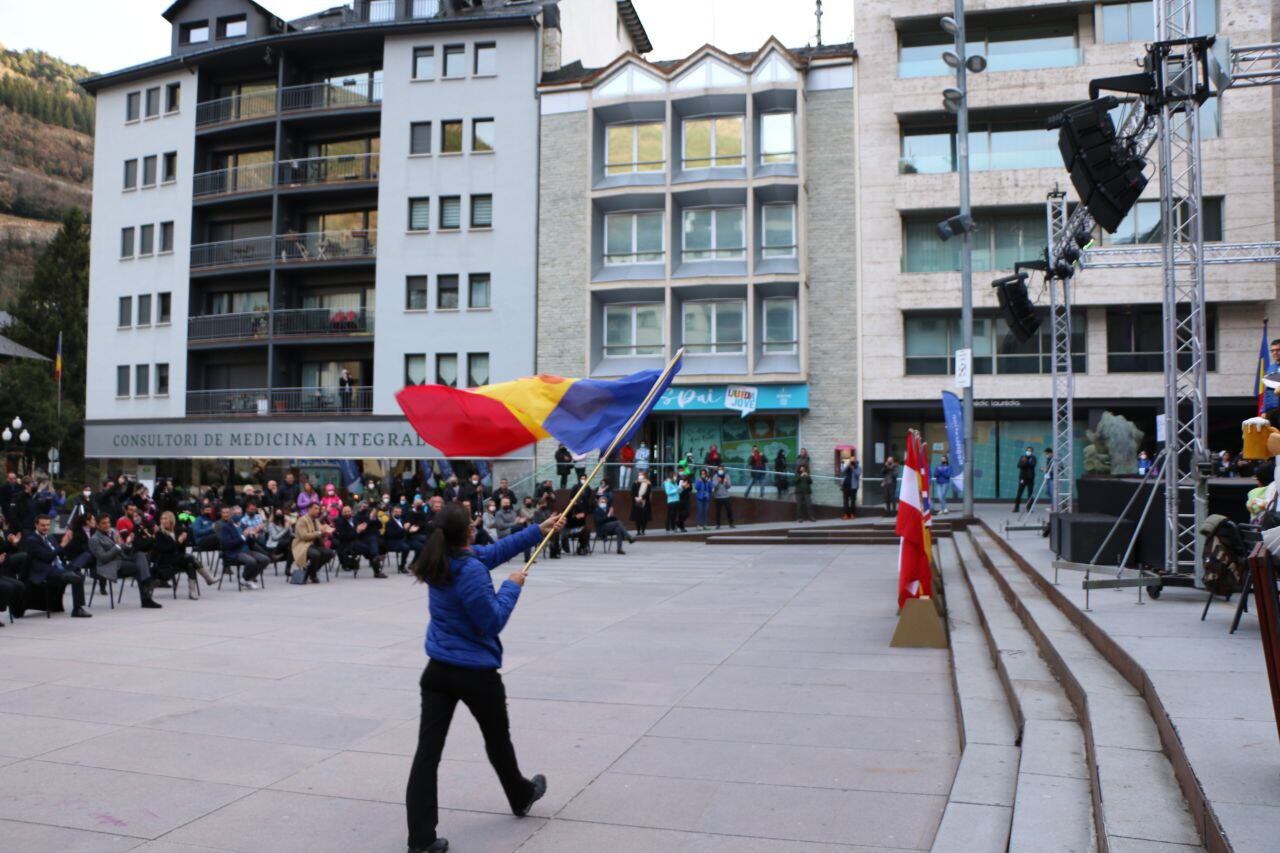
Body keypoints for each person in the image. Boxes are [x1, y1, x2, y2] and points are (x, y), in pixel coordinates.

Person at [403, 503, 563, 853]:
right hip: (474, 673)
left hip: (438, 671)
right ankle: (520, 795)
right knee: (497, 740)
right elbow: (490, 622)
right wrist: (511, 587)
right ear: (468, 533)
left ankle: (421, 840)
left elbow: (493, 552)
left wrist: (539, 529)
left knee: (427, 755)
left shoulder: (440, 558)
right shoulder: (470, 569)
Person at [23, 515, 91, 617]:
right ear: (36, 525)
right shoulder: (32, 540)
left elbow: (60, 553)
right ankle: (77, 609)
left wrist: (68, 542)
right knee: (77, 577)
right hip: (47, 571)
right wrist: (62, 545)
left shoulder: (50, 537)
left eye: (48, 525)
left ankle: (70, 573)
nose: (46, 527)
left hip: (60, 567)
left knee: (84, 559)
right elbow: (47, 557)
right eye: (43, 525)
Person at [89, 515, 162, 608]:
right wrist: (118, 546)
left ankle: (147, 583)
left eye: (108, 522)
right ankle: (146, 597)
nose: (107, 525)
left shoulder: (112, 533)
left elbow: (122, 551)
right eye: (104, 523)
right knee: (138, 568)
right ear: (98, 525)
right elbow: (103, 558)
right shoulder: (94, 539)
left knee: (140, 555)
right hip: (109, 566)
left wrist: (128, 543)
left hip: (121, 561)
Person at [153, 511, 202, 600]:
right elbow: (165, 549)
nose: (163, 521)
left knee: (190, 564)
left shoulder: (177, 531)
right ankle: (207, 577)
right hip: (166, 561)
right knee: (189, 558)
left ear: (171, 520)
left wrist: (184, 540)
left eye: (165, 518)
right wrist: (178, 541)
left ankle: (192, 591)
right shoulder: (159, 533)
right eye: (162, 519)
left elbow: (181, 550)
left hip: (177, 559)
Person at [217, 506, 269, 588]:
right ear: (231, 514)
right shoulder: (226, 527)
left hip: (247, 550)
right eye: (235, 514)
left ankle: (248, 578)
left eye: (239, 513)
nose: (238, 515)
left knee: (265, 559)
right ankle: (246, 579)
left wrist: (252, 536)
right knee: (252, 561)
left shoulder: (243, 526)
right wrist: (243, 536)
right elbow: (228, 545)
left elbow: (250, 543)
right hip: (235, 552)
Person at [292, 502, 335, 584]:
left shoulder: (316, 520)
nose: (318, 511)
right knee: (316, 554)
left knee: (330, 553)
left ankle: (310, 572)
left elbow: (321, 531)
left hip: (314, 545)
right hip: (303, 545)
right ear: (309, 509)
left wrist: (326, 531)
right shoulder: (302, 520)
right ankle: (313, 575)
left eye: (318, 509)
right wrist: (319, 532)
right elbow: (304, 536)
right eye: (315, 508)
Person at [1013, 447, 1037, 513]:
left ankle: (1029, 508)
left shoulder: (1033, 458)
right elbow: (1019, 465)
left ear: (1032, 452)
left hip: (1030, 478)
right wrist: (1024, 462)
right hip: (1023, 478)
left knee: (1030, 494)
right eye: (1027, 450)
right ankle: (1016, 508)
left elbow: (1032, 465)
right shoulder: (1022, 457)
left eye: (1030, 451)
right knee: (1019, 493)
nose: (1028, 452)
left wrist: (1026, 462)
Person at [631, 470, 651, 536]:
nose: (640, 476)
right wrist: (635, 498)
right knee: (637, 517)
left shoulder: (648, 483)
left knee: (644, 517)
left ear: (644, 476)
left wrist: (642, 498)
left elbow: (648, 493)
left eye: (641, 475)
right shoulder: (635, 483)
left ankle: (643, 530)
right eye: (639, 475)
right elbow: (632, 492)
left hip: (645, 502)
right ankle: (638, 531)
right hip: (636, 502)